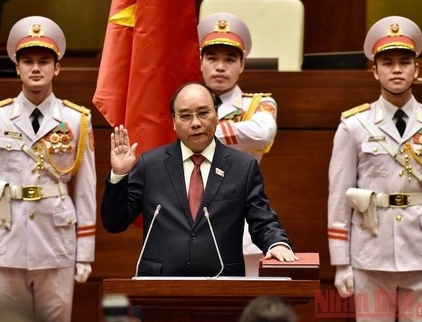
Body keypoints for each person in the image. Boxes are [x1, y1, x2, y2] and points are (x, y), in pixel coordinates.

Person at [327, 16, 422, 321]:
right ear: (374, 70)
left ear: (417, 69)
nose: (397, 69)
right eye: (387, 62)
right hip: (370, 250)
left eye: (405, 61)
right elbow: (338, 197)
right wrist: (341, 262)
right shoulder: (354, 125)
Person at [0, 16, 97, 322]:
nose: (36, 68)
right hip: (7, 242)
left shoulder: (76, 120)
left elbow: (85, 191)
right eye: (28, 61)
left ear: (57, 67)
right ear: (17, 67)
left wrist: (84, 251)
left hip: (57, 244)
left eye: (44, 61)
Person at [101, 82, 298, 276]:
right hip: (159, 286)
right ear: (174, 122)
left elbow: (262, 219)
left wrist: (277, 243)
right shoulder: (151, 165)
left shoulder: (242, 167)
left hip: (222, 284)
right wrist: (119, 175)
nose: (195, 123)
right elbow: (114, 223)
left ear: (217, 115)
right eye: (185, 116)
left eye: (203, 113)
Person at [198, 12, 278, 276]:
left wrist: (203, 131)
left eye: (230, 59)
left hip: (241, 216)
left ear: (242, 65)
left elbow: (263, 132)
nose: (220, 67)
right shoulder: (185, 102)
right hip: (193, 214)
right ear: (200, 62)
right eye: (212, 58)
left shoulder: (256, 104)